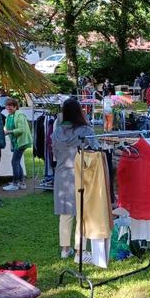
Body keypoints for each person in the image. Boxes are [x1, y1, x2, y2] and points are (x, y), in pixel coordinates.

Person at [52, 98, 95, 260]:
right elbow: (94, 150)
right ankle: (80, 252)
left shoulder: (57, 131)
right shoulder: (85, 130)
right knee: (81, 213)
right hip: (81, 172)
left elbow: (54, 153)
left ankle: (65, 249)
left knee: (65, 213)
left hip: (62, 173)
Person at [2, 98, 31, 191]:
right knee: (17, 161)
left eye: (10, 106)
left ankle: (15, 184)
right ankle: (21, 183)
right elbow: (5, 128)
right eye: (7, 106)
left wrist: (8, 132)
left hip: (22, 142)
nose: (8, 108)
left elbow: (21, 130)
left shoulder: (19, 115)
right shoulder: (9, 116)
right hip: (16, 142)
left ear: (15, 106)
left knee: (14, 161)